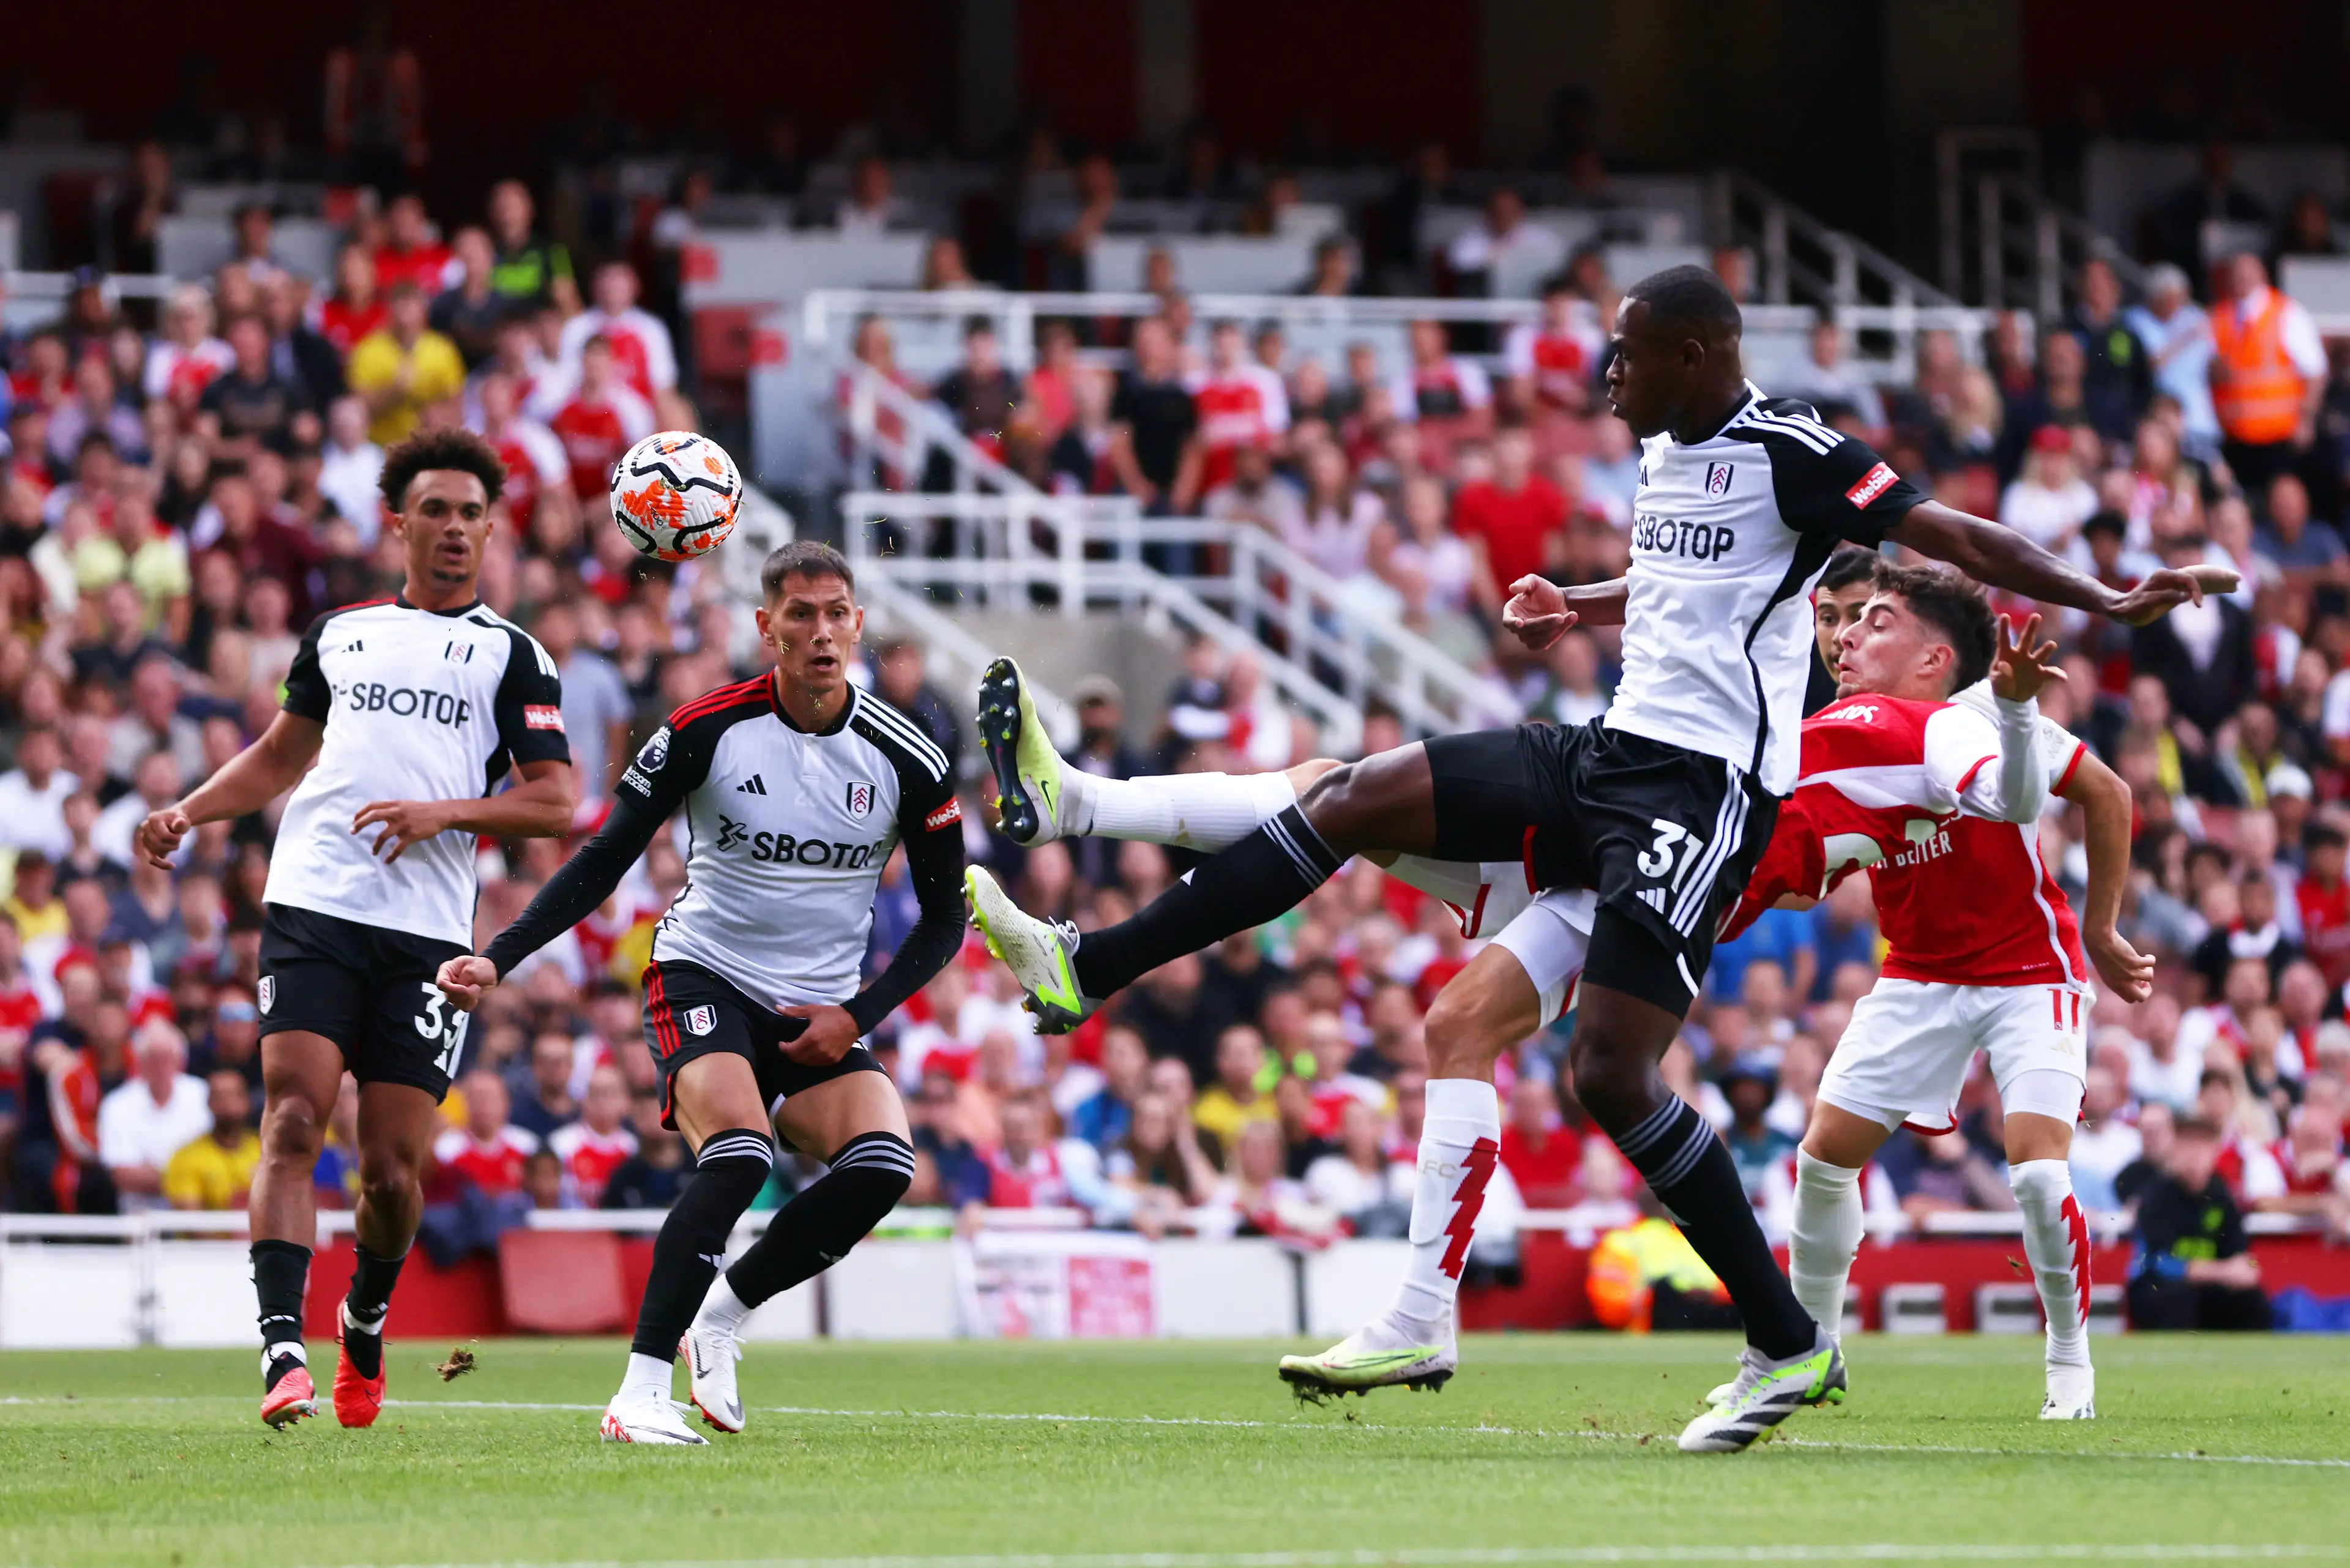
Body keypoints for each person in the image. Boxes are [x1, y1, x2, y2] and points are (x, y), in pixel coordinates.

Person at [968, 265, 2228, 1453]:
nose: (1606, 377)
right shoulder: (1665, 451)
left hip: (1699, 798)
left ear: (1692, 354)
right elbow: (1682, 586)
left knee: (1611, 1076)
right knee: (1356, 797)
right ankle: (1092, 961)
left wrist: (2105, 598)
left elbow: (1949, 530)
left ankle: (1788, 1339)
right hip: (1608, 756)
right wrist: (1580, 603)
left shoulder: (1798, 456)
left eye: (1626, 357)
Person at [435, 540, 965, 1446]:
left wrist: (856, 1019)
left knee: (885, 1168)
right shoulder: (702, 729)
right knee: (740, 1152)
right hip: (704, 974)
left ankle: (720, 1313)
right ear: (767, 627)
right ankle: (638, 1391)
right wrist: (501, 956)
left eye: (837, 612)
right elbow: (604, 859)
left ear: (859, 625)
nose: (821, 632)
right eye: (800, 614)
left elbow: (945, 920)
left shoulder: (910, 756)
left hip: (823, 1006)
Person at [135, 428, 576, 1430]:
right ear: (399, 522)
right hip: (314, 903)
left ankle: (366, 1314)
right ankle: (283, 1349)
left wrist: (445, 813)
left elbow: (556, 803)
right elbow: (279, 753)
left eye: (472, 512)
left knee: (391, 1170)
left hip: (424, 936)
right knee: (292, 1119)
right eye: (436, 510)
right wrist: (190, 812)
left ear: (492, 527)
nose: (455, 528)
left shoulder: (514, 655)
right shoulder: (341, 632)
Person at [1743, 566, 2149, 1423]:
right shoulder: (1839, 735)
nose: (1846, 637)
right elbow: (1813, 869)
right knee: (1822, 1161)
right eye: (1840, 622)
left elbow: (2101, 793)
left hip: (2030, 971)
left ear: (1934, 657)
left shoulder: (1979, 718)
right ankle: (1808, 1351)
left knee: (2037, 1176)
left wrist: (2106, 929)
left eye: (1872, 622)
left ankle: (2069, 1359)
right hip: (1919, 972)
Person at [2126, 1114, 2272, 1331]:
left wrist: (2245, 1270)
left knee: (2251, 1299)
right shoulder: (2156, 1196)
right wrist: (2222, 1271)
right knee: (2175, 1297)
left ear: (2215, 1152)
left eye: (2202, 1146)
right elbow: (2160, 1262)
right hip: (2159, 1286)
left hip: (2209, 1287)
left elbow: (2240, 1253)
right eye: (2187, 1145)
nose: (2194, 1155)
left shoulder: (2222, 1195)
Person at [2208, 253, 2326, 499]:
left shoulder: (2285, 312)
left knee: (2278, 500)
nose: (2242, 278)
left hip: (2279, 436)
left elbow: (2316, 371)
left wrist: (2306, 419)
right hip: (2235, 436)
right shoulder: (2221, 316)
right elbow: (2211, 370)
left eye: (2248, 271)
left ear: (2263, 274)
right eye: (2236, 272)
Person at [163, 1069, 263, 1210]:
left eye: (234, 1096)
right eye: (219, 1097)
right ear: (208, 1103)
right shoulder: (186, 1157)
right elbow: (191, 1221)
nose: (227, 1104)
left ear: (247, 1102)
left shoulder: (266, 1153)